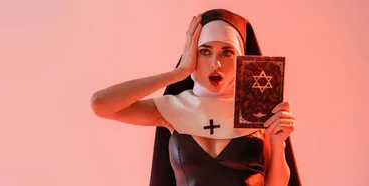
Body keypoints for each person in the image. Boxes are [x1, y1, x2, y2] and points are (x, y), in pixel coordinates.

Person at [90, 9, 301, 186]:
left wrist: (278, 142)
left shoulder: (256, 110)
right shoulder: (174, 108)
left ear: (242, 59)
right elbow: (101, 105)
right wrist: (177, 73)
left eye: (227, 52)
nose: (215, 63)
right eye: (205, 51)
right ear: (192, 54)